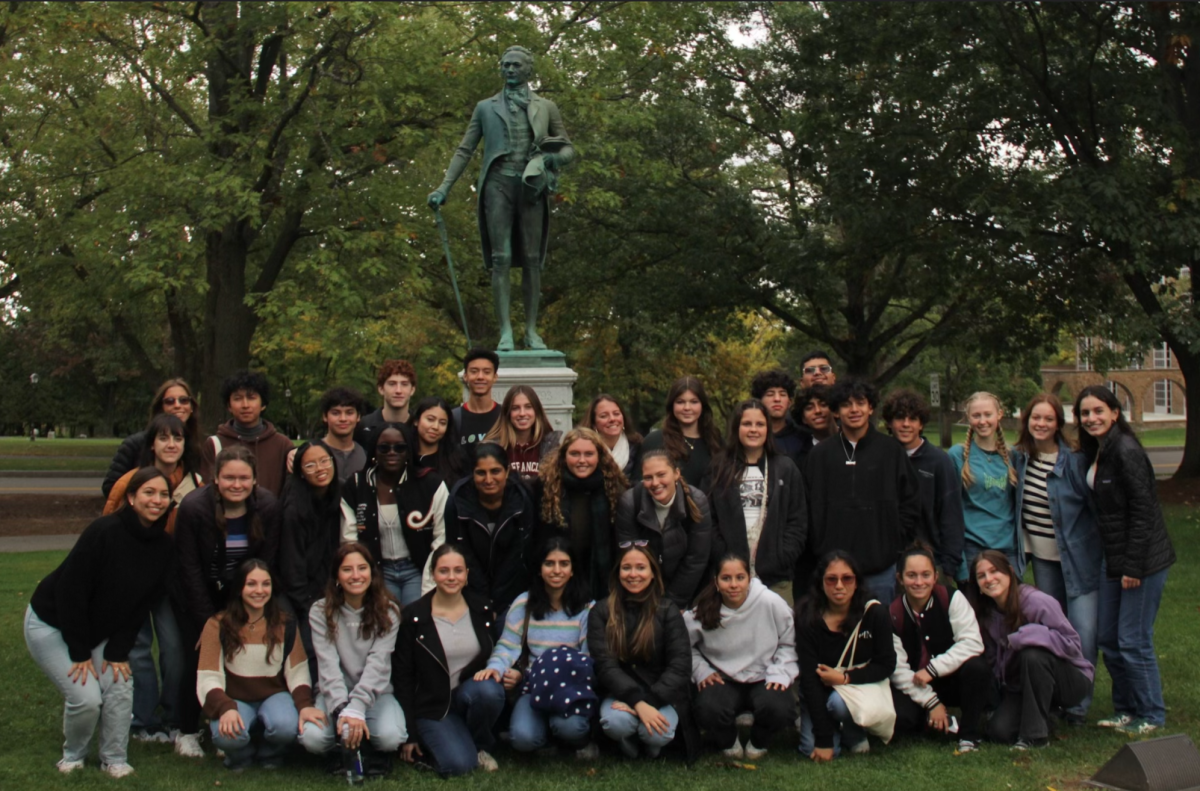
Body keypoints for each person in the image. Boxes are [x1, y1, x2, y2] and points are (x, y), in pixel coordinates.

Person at [25, 466, 175, 778]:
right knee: (87, 698)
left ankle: (114, 759)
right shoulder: (104, 532)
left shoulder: (163, 548)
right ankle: (74, 756)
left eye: (164, 494)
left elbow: (139, 607)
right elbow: (71, 593)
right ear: (131, 497)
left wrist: (117, 651)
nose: (157, 500)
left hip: (99, 630)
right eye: (149, 492)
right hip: (52, 623)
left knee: (120, 686)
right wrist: (80, 653)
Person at [427, 45, 575, 351]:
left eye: (515, 66)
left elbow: (568, 149)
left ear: (528, 70)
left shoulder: (546, 107)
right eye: (505, 65)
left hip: (531, 187)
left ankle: (532, 332)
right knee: (501, 258)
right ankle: (506, 332)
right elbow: (465, 149)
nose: (509, 70)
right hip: (497, 184)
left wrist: (550, 161)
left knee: (533, 259)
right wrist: (444, 187)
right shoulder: (485, 107)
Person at [1075, 384, 1176, 734]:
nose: (1091, 418)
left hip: (1142, 561)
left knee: (1133, 640)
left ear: (1115, 413)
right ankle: (1126, 709)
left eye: (1098, 411)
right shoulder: (1100, 449)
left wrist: (1133, 566)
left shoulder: (1126, 450)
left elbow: (1145, 511)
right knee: (1108, 638)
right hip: (1113, 559)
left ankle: (1151, 713)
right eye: (1085, 413)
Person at [172, 445, 282, 759]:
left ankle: (227, 722)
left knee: (238, 654)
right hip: (196, 592)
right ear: (215, 479)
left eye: (244, 478)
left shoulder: (268, 507)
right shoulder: (194, 508)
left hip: (244, 590)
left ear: (255, 480)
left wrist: (248, 606)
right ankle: (186, 730)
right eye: (229, 478)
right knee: (196, 657)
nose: (237, 485)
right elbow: (189, 569)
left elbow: (267, 560)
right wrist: (210, 621)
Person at [102, 414, 200, 744]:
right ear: (152, 444)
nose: (171, 444)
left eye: (178, 438)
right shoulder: (131, 480)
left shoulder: (196, 482)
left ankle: (173, 714)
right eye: (164, 438)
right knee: (138, 648)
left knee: (173, 648)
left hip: (172, 579)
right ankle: (143, 718)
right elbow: (110, 524)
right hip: (133, 576)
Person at [1011, 392, 1102, 723]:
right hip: (1045, 562)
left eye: (1049, 419)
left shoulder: (1074, 462)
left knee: (1083, 632)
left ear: (1058, 425)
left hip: (1079, 561)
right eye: (1036, 418)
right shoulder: (1019, 458)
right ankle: (1057, 697)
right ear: (1027, 421)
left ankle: (1078, 706)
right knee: (1052, 629)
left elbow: (1095, 512)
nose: (1042, 424)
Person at [474, 537, 596, 758]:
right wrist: (496, 668)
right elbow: (507, 646)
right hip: (534, 688)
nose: (556, 570)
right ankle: (546, 738)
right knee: (522, 738)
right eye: (549, 563)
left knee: (570, 727)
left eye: (564, 564)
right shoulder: (524, 603)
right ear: (539, 569)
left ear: (573, 569)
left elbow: (588, 657)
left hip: (571, 687)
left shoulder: (587, 607)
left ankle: (578, 740)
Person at [803, 378, 922, 604]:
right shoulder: (820, 456)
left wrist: (893, 540)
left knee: (880, 634)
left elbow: (911, 502)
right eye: (847, 404)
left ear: (871, 408)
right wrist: (819, 544)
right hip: (832, 572)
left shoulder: (891, 451)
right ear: (836, 412)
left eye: (860, 403)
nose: (854, 409)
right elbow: (807, 507)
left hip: (880, 570)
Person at [197, 559, 322, 770]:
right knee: (226, 735)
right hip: (234, 699)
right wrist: (224, 707)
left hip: (274, 695)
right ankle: (240, 758)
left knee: (285, 726)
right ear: (239, 588)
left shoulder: (286, 623)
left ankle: (271, 756)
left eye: (266, 584)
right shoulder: (217, 624)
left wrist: (304, 705)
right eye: (251, 584)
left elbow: (298, 671)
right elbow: (208, 676)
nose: (259, 590)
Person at [392, 544, 506, 775]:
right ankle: (452, 743)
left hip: (468, 696)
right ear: (433, 574)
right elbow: (402, 677)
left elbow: (494, 653)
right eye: (444, 571)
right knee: (458, 766)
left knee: (489, 691)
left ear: (466, 575)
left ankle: (479, 746)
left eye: (458, 571)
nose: (451, 577)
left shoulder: (481, 610)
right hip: (432, 706)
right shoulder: (413, 617)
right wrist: (410, 733)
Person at [970, 551, 1093, 749]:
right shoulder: (986, 614)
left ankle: (1035, 737)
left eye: (994, 571)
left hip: (1069, 679)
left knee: (1032, 654)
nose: (989, 579)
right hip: (1021, 684)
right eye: (981, 576)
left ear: (1010, 573)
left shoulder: (1036, 601)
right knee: (999, 732)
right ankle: (1046, 717)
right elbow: (993, 662)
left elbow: (1072, 644)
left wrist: (1026, 636)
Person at [300, 544, 405, 774]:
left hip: (376, 693)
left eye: (362, 568)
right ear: (337, 576)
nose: (356, 575)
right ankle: (344, 751)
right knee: (314, 740)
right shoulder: (320, 611)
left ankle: (367, 751)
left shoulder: (389, 611)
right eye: (347, 569)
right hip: (334, 694)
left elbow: (378, 664)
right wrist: (342, 710)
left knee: (391, 737)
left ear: (372, 573)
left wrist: (357, 707)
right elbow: (327, 664)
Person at [685, 553, 798, 759]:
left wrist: (781, 672)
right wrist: (702, 671)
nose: (733, 584)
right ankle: (728, 740)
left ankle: (759, 741)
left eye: (740, 577)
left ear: (749, 578)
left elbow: (789, 641)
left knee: (780, 708)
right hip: (724, 679)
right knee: (708, 708)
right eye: (726, 578)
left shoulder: (769, 602)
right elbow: (686, 647)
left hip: (764, 676)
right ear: (716, 582)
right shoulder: (702, 611)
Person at [588, 544, 693, 759]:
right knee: (616, 724)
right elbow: (605, 666)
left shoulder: (668, 610)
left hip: (662, 695)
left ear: (653, 573)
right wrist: (636, 701)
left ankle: (651, 749)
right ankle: (629, 745)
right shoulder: (601, 611)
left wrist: (650, 702)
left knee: (656, 734)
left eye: (641, 568)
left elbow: (680, 665)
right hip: (620, 695)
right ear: (618, 573)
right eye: (626, 568)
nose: (633, 574)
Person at [796, 551, 897, 761]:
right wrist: (823, 740)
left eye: (847, 578)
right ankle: (831, 730)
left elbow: (886, 664)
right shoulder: (807, 616)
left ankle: (853, 732)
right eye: (831, 579)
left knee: (838, 704)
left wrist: (845, 678)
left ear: (857, 582)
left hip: (857, 688)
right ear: (820, 582)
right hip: (818, 691)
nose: (839, 586)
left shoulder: (875, 613)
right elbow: (809, 678)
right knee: (810, 748)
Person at [888, 544, 989, 753]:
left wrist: (933, 669)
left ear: (935, 576)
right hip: (916, 683)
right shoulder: (893, 613)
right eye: (911, 575)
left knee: (977, 668)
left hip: (952, 678)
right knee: (902, 719)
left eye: (925, 575)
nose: (919, 582)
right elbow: (898, 670)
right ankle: (933, 718)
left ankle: (968, 735)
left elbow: (972, 642)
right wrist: (931, 702)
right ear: (900, 578)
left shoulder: (952, 599)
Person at [707, 399, 807, 605]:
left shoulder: (785, 468)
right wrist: (723, 556)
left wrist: (781, 557)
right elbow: (709, 517)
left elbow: (797, 519)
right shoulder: (719, 467)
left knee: (780, 635)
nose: (753, 430)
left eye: (759, 424)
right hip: (730, 577)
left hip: (776, 578)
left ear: (768, 429)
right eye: (747, 424)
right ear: (737, 428)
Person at [341, 426, 448, 607]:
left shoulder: (430, 484)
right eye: (384, 448)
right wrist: (364, 576)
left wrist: (431, 576)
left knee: (414, 619)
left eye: (400, 448)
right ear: (374, 451)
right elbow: (349, 540)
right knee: (385, 622)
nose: (392, 453)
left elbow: (442, 537)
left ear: (409, 452)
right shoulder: (357, 486)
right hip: (377, 570)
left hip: (418, 569)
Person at [444, 443, 536, 630]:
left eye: (495, 471)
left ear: (507, 471)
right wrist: (483, 602)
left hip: (513, 590)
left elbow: (518, 556)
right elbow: (461, 555)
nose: (488, 479)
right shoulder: (457, 501)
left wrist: (498, 604)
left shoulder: (522, 499)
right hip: (469, 589)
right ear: (472, 473)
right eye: (481, 473)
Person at [880, 389, 965, 581]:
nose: (906, 424)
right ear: (890, 423)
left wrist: (949, 566)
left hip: (931, 562)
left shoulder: (938, 461)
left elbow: (951, 515)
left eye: (913, 419)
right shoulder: (881, 458)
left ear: (921, 424)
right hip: (888, 563)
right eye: (900, 418)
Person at [535, 428, 627, 601]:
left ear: (599, 456)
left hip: (601, 578)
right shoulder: (545, 488)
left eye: (589, 454)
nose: (582, 460)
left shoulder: (614, 489)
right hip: (558, 575)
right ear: (563, 456)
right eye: (575, 454)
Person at [614, 449, 713, 609]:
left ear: (676, 474)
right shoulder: (630, 503)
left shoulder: (697, 501)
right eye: (648, 477)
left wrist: (673, 604)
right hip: (641, 591)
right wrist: (648, 604)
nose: (655, 483)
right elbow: (630, 557)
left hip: (684, 593)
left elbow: (696, 559)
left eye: (661, 475)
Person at [279, 440, 344, 665]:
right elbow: (291, 566)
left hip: (329, 586)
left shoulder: (338, 496)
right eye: (310, 465)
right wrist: (309, 605)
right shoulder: (294, 510)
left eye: (325, 461)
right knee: (312, 648)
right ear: (300, 473)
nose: (320, 469)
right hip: (300, 593)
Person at [948, 392, 1020, 581]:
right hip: (974, 548)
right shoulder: (958, 455)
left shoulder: (1013, 456)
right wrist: (961, 563)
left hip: (1007, 548)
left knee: (1009, 609)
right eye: (976, 416)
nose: (982, 421)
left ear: (1000, 415)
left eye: (988, 414)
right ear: (968, 418)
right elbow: (950, 509)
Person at [199, 370, 295, 496]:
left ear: (263, 404)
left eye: (251, 398)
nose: (245, 405)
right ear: (229, 406)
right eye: (238, 399)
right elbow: (207, 491)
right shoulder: (215, 444)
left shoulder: (282, 445)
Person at [102, 378, 201, 497]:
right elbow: (111, 488)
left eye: (184, 400)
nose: (177, 405)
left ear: (191, 407)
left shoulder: (199, 446)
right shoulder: (135, 444)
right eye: (170, 401)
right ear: (160, 408)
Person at [640, 376, 723, 487]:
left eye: (694, 402)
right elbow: (639, 484)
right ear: (672, 405)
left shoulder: (716, 441)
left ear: (702, 405)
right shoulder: (653, 441)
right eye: (680, 402)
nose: (687, 408)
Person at [483, 384, 562, 483]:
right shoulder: (493, 447)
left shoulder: (552, 447)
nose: (522, 413)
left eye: (528, 407)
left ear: (536, 411)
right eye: (515, 408)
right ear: (507, 413)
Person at [356, 360, 417, 465]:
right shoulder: (364, 425)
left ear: (412, 390)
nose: (398, 390)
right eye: (392, 384)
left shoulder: (419, 427)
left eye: (404, 384)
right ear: (381, 389)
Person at [580, 393, 644, 480]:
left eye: (616, 414)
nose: (612, 419)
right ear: (594, 423)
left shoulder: (637, 445)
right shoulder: (584, 447)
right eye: (604, 416)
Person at [750, 369, 807, 464]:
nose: (777, 399)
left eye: (782, 394)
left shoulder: (803, 438)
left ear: (790, 402)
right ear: (759, 401)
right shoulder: (751, 436)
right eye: (770, 394)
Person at [409, 396, 469, 484]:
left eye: (442, 423)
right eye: (430, 419)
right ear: (416, 421)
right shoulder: (404, 456)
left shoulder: (456, 461)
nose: (435, 427)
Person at [453, 348, 503, 450]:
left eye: (487, 372)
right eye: (474, 371)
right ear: (465, 376)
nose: (480, 377)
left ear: (495, 377)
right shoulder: (453, 419)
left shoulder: (505, 416)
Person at [317, 387, 368, 484]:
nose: (343, 418)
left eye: (349, 412)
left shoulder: (365, 455)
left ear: (358, 417)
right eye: (336, 413)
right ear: (325, 416)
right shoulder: (311, 453)